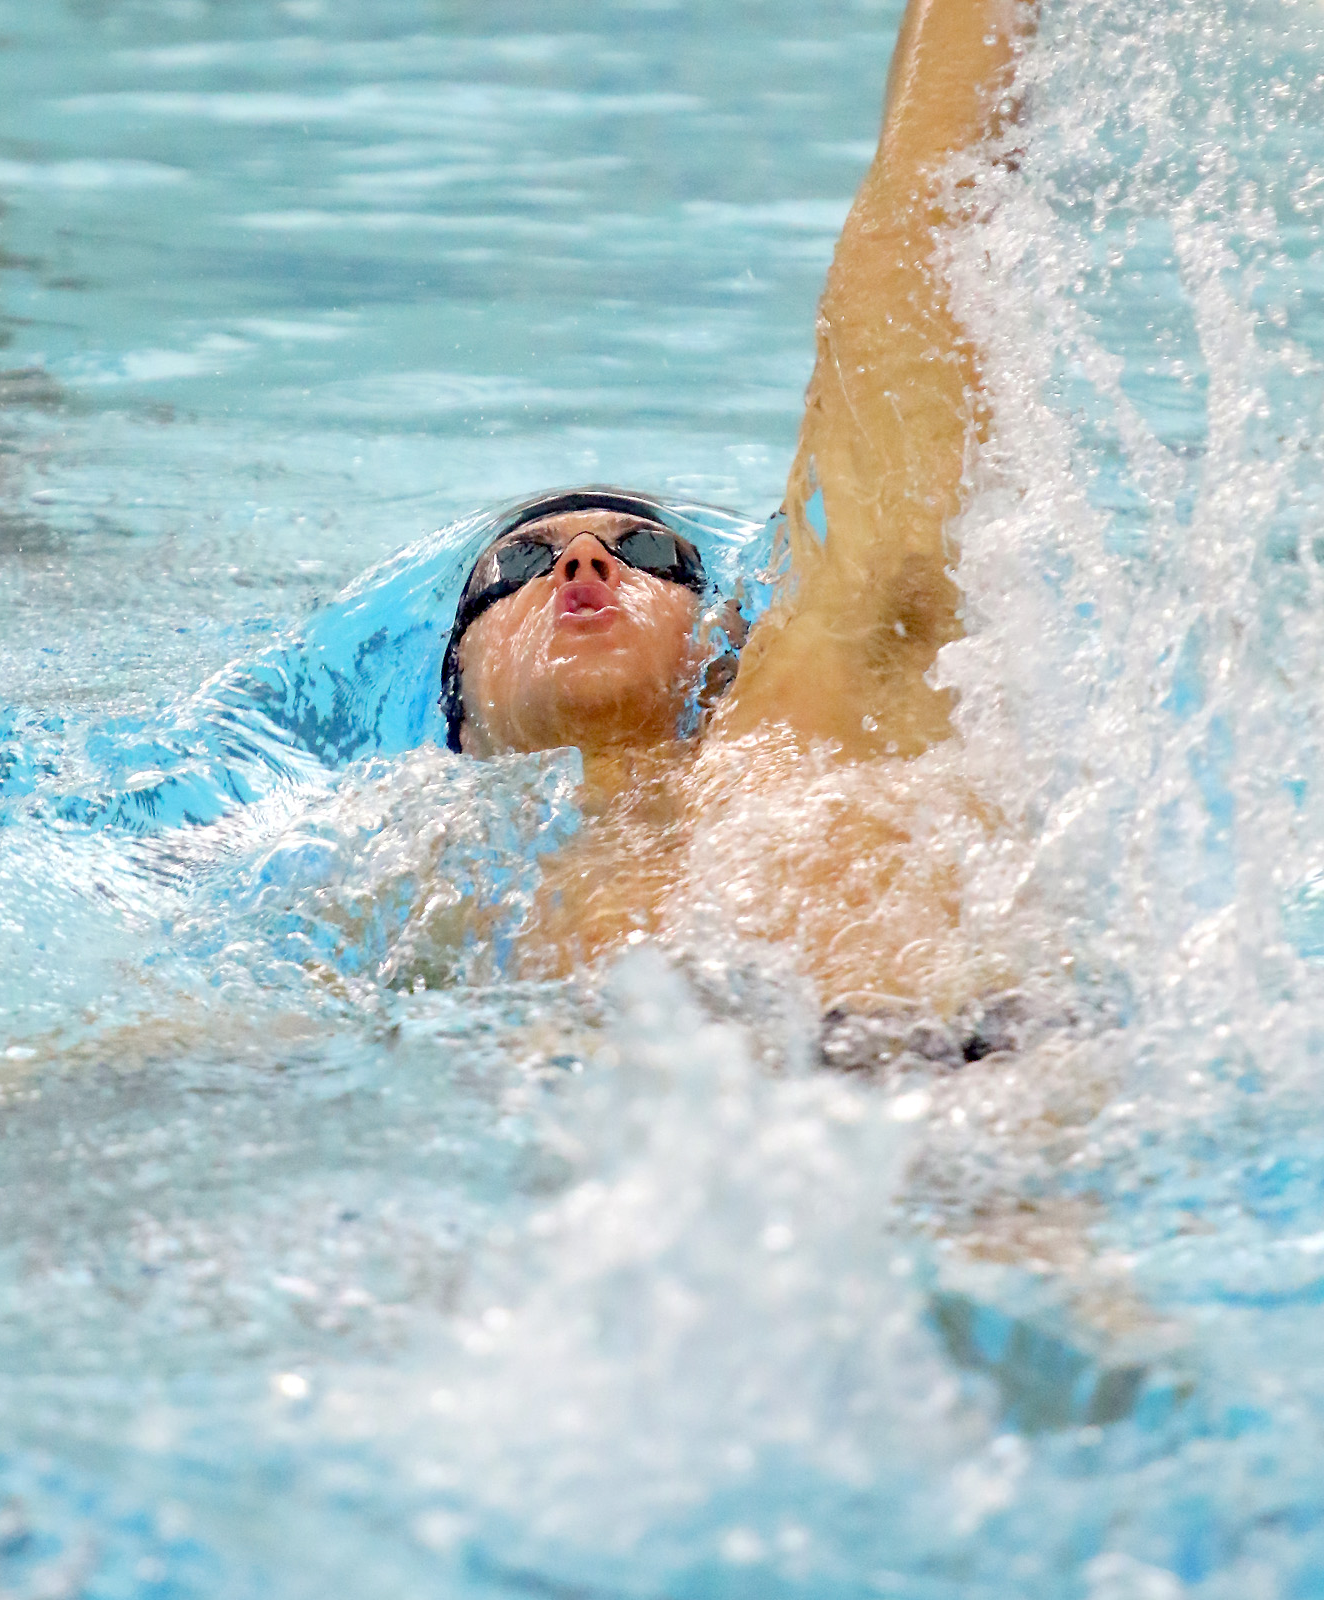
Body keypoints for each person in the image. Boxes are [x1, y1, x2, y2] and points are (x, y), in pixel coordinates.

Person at [438, 0, 1034, 1021]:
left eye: (646, 551)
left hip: (961, 1089)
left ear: (718, 648)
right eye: (518, 568)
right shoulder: (415, 898)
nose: (584, 560)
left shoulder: (818, 710)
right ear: (461, 704)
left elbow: (912, 235)